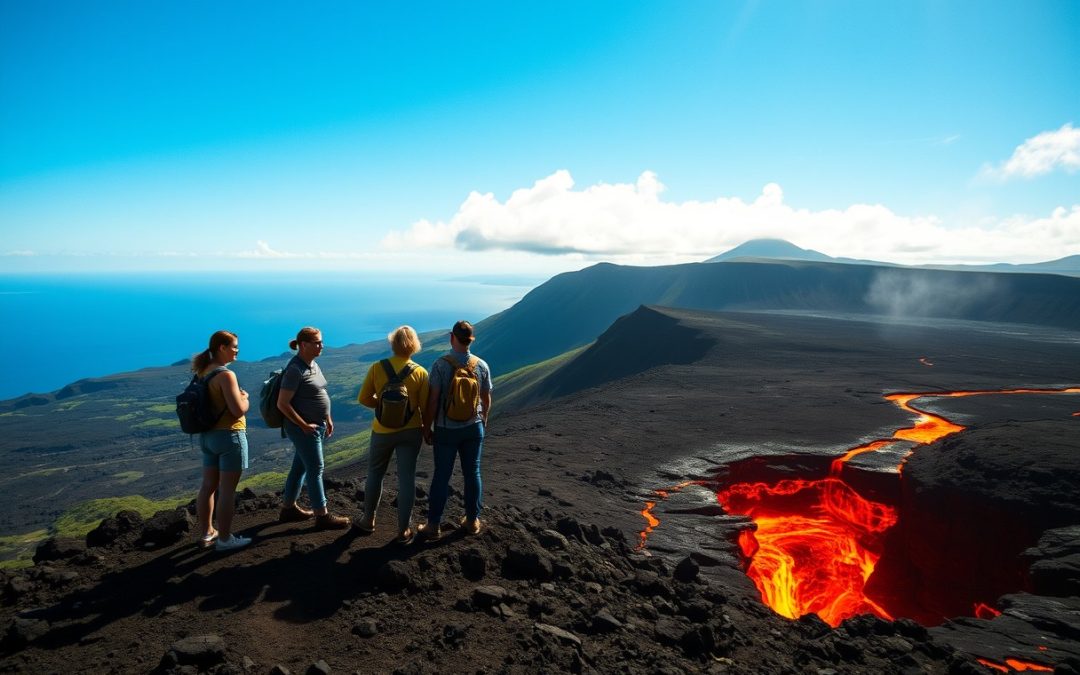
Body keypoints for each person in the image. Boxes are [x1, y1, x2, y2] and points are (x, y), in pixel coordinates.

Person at [355, 326, 430, 544]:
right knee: (407, 478)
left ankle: (368, 520)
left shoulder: (378, 368)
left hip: (382, 430)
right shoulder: (420, 372)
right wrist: (426, 428)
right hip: (411, 431)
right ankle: (403, 531)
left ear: (392, 344)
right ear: (414, 345)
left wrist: (383, 407)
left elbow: (363, 398)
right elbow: (425, 407)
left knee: (375, 474)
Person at [419, 320, 493, 540]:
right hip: (474, 428)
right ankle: (472, 521)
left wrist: (427, 427)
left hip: (446, 429)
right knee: (473, 474)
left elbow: (433, 401)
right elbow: (486, 398)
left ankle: (433, 526)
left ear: (452, 337)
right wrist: (483, 420)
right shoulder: (481, 365)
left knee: (442, 475)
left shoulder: (441, 365)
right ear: (471, 339)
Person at [277, 326, 350, 529]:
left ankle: (288, 509)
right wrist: (303, 425)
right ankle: (322, 515)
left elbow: (320, 392)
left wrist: (328, 417)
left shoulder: (313, 364)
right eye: (317, 342)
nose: (321, 346)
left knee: (299, 468)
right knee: (316, 468)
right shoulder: (295, 369)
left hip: (316, 425)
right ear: (303, 345)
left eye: (321, 342)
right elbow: (282, 403)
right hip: (304, 429)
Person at [192, 330, 252, 552]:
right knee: (227, 491)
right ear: (221, 348)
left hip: (207, 438)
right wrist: (245, 399)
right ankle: (225, 539)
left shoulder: (202, 371)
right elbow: (237, 411)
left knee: (208, 486)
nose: (237, 350)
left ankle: (207, 532)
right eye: (234, 346)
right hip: (230, 437)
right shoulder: (226, 375)